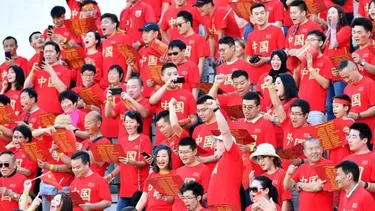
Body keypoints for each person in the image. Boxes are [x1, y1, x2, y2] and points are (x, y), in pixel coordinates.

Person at [106, 111, 152, 211]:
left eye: (131, 122)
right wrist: (110, 176)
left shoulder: (144, 139)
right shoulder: (122, 140)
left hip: (138, 189)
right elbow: (120, 165)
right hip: (125, 190)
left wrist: (132, 162)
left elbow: (145, 163)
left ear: (138, 123)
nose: (128, 125)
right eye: (126, 122)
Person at [231, 91, 277, 189]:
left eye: (250, 107)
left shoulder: (266, 125)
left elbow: (271, 150)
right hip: (239, 174)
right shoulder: (238, 123)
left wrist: (251, 148)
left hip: (258, 174)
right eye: (244, 107)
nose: (246, 110)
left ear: (258, 107)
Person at [206, 98, 243, 210]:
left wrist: (216, 110)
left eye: (219, 141)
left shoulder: (232, 155)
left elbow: (226, 132)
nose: (216, 144)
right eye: (215, 142)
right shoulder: (222, 161)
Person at [32, 115, 74, 211]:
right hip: (47, 182)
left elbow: (70, 167)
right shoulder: (50, 137)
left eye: (62, 129)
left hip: (63, 184)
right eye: (57, 128)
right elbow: (33, 134)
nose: (60, 131)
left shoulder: (72, 141)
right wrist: (46, 130)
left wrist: (49, 166)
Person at [149, 63, 197, 145]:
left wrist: (181, 125)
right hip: (162, 141)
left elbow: (194, 119)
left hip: (181, 141)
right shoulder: (158, 93)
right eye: (169, 74)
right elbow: (151, 101)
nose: (173, 77)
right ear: (162, 77)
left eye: (175, 74)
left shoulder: (188, 95)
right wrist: (167, 84)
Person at [293, 29, 332, 126]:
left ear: (320, 43)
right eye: (307, 40)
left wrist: (310, 68)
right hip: (300, 110)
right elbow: (296, 86)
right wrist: (295, 72)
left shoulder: (326, 60)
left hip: (316, 109)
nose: (308, 43)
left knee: (315, 140)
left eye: (312, 40)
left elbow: (325, 84)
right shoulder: (302, 61)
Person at [283, 138, 334, 211]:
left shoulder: (329, 164)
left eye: (317, 148)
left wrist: (300, 185)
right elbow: (287, 186)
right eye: (310, 149)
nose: (314, 151)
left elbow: (318, 187)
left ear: (322, 149)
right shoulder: (302, 167)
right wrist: (288, 174)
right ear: (305, 153)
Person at [24, 41, 71, 115]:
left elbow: (63, 90)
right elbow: (26, 87)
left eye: (51, 51)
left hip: (56, 111)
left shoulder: (65, 70)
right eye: (46, 52)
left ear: (57, 54)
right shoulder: (38, 70)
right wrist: (32, 71)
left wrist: (51, 71)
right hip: (38, 111)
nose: (48, 54)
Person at [338, 60, 375, 146]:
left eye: (347, 76)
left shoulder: (370, 84)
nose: (346, 80)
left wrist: (358, 115)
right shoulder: (346, 89)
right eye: (343, 78)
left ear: (355, 69)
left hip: (370, 134)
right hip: (355, 137)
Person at [246, 3, 285, 82]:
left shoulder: (276, 31)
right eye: (256, 14)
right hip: (255, 77)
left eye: (262, 13)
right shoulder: (251, 35)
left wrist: (266, 59)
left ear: (266, 14)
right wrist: (252, 62)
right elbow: (248, 57)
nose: (260, 16)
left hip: (272, 75)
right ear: (252, 18)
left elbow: (283, 54)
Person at [323, 5, 350, 121]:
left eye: (333, 13)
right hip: (329, 73)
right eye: (329, 13)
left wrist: (332, 28)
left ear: (340, 15)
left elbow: (335, 43)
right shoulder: (328, 32)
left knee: (340, 106)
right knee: (329, 107)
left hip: (340, 73)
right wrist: (329, 29)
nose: (330, 15)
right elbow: (323, 47)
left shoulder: (346, 29)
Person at [128, 22, 166, 98]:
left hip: (159, 91)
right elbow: (138, 71)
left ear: (155, 34)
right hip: (144, 91)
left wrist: (165, 64)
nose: (144, 35)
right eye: (143, 33)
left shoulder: (163, 48)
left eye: (147, 33)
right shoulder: (141, 51)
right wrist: (132, 65)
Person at [250, 144, 292, 211]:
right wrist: (251, 185)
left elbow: (286, 200)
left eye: (262, 158)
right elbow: (256, 199)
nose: (260, 162)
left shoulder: (283, 174)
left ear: (272, 157)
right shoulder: (262, 177)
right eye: (258, 159)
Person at [174, 137, 210, 210]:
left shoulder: (204, 169)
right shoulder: (178, 171)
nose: (183, 155)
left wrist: (191, 199)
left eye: (186, 152)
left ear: (195, 151)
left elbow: (207, 194)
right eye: (180, 152)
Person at [263, 73, 298, 149]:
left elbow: (288, 122)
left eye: (278, 83)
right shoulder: (273, 104)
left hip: (284, 145)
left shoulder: (294, 102)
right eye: (274, 83)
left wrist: (271, 118)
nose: (275, 85)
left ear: (287, 85)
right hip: (271, 144)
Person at [135, 145, 175, 211]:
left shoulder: (174, 175)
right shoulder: (151, 176)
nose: (161, 159)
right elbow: (143, 199)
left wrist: (163, 197)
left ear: (169, 158)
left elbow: (173, 199)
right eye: (158, 156)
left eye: (164, 156)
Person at [285, 0, 321, 70]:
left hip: (308, 67)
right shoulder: (291, 29)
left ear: (303, 13)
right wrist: (287, 51)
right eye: (291, 13)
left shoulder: (313, 26)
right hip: (292, 68)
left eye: (294, 13)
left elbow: (317, 48)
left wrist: (298, 51)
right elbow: (287, 47)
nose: (292, 15)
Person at [344, 122, 375, 199]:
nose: (349, 140)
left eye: (353, 137)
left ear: (364, 140)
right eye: (349, 136)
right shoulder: (346, 159)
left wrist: (364, 184)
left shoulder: (373, 158)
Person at [100, 13, 131, 88]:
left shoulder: (123, 38)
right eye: (101, 23)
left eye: (106, 22)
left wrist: (126, 81)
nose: (103, 25)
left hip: (121, 82)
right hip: (107, 84)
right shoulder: (105, 42)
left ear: (114, 24)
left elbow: (130, 61)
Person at [176, 10, 209, 77]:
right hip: (181, 77)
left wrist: (196, 81)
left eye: (180, 25)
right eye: (176, 25)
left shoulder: (199, 39)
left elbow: (201, 62)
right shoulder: (178, 40)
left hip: (194, 76)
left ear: (188, 23)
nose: (178, 27)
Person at [192, 95, 220, 174]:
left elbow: (224, 153)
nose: (200, 114)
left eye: (203, 110)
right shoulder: (197, 129)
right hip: (199, 172)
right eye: (198, 111)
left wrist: (204, 159)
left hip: (216, 171)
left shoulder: (221, 125)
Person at [328, 95, 354, 164]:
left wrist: (350, 133)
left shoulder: (351, 122)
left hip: (345, 154)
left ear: (345, 108)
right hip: (334, 154)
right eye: (333, 107)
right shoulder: (331, 123)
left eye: (337, 106)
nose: (334, 109)